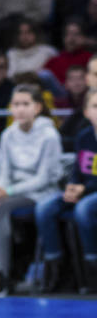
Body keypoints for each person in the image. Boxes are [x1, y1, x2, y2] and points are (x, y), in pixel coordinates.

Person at [0, 82, 63, 297]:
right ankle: (0, 266)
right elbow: (4, 171)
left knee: (0, 209)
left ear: (37, 107)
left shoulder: (49, 135)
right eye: (16, 104)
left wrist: (9, 191)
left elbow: (43, 179)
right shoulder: (8, 134)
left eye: (25, 104)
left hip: (41, 193)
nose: (20, 109)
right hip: (12, 192)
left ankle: (4, 276)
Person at [36, 90, 97, 293]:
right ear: (86, 112)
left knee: (84, 209)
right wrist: (72, 186)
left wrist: (84, 189)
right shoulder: (84, 136)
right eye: (95, 106)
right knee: (45, 208)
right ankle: (57, 269)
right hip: (83, 190)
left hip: (89, 193)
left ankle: (91, 270)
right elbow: (78, 170)